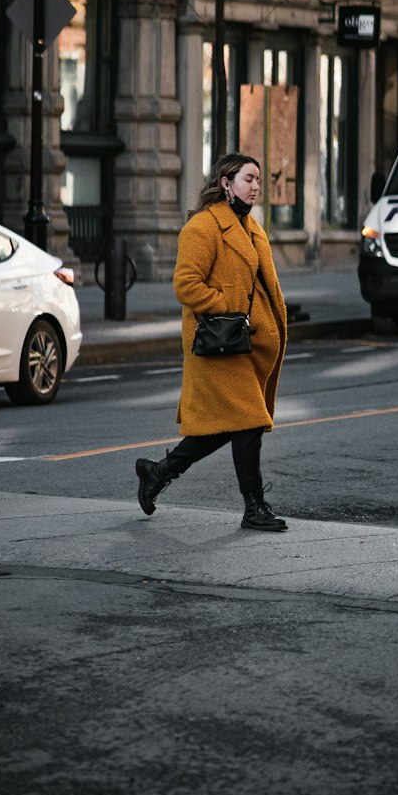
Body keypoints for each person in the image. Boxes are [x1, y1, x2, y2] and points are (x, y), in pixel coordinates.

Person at [135, 152, 290, 532]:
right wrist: (230, 309)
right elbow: (186, 284)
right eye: (248, 179)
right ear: (226, 182)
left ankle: (159, 472)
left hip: (245, 343)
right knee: (250, 419)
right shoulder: (203, 228)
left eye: (257, 180)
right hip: (218, 340)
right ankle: (254, 507)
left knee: (231, 424)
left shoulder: (251, 228)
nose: (256, 187)